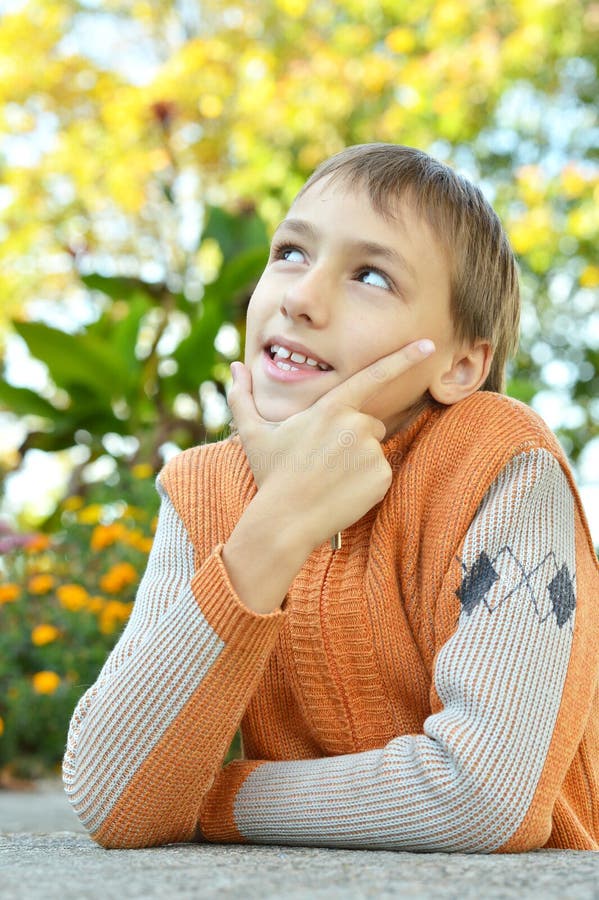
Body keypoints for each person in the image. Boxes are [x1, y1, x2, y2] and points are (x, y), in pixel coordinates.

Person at [63, 143, 599, 852]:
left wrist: (213, 798)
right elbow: (112, 799)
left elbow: (480, 797)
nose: (300, 298)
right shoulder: (200, 487)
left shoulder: (502, 463)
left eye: (370, 275)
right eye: (290, 253)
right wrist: (278, 522)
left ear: (461, 363)